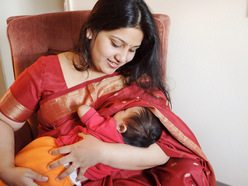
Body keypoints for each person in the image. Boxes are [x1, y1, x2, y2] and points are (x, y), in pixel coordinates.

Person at [0, 0, 216, 185]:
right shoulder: (44, 72)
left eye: (132, 49)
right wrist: (6, 170)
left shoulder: (137, 77)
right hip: (64, 172)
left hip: (129, 169)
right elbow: (4, 121)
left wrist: (100, 152)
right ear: (91, 30)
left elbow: (162, 151)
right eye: (116, 44)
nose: (122, 58)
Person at [13, 105, 163, 185]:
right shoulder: (122, 156)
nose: (120, 109)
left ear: (122, 127)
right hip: (70, 179)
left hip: (58, 156)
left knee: (25, 168)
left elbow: (83, 111)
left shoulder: (108, 126)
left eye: (124, 110)